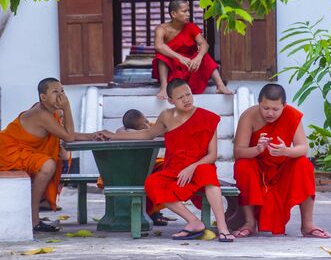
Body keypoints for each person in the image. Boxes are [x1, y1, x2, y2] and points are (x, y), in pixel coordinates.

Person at [99, 79, 235, 242]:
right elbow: (148, 134)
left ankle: (222, 227)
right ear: (170, 100)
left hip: (200, 165)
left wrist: (192, 167)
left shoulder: (208, 117)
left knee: (208, 174)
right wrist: (114, 136)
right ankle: (193, 221)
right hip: (174, 169)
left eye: (188, 94)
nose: (186, 100)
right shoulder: (166, 116)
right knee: (152, 183)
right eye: (180, 97)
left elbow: (212, 155)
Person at [0, 78, 100, 232]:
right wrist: (67, 109)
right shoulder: (41, 114)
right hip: (10, 152)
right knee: (48, 165)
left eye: (62, 91)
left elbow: (64, 133)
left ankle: (39, 204)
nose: (61, 96)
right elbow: (69, 136)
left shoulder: (51, 112)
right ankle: (33, 219)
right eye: (55, 92)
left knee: (50, 162)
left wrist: (92, 136)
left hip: (26, 152)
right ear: (43, 97)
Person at [232, 83, 331, 238]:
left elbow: (303, 148)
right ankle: (250, 223)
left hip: (282, 170)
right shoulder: (249, 116)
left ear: (284, 106)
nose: (270, 113)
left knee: (304, 164)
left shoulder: (291, 115)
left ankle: (307, 224)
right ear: (259, 103)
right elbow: (238, 152)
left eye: (275, 109)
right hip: (258, 170)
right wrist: (257, 149)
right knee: (242, 165)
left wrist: (286, 151)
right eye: (265, 108)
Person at [152, 0, 233, 99]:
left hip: (190, 67)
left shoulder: (191, 27)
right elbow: (159, 46)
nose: (188, 14)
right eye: (184, 11)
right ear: (174, 14)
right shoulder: (161, 29)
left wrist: (198, 58)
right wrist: (179, 57)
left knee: (205, 56)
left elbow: (204, 44)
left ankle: (220, 86)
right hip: (173, 69)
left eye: (188, 11)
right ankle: (164, 87)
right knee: (161, 56)